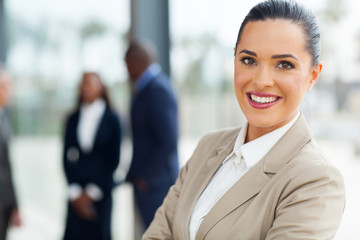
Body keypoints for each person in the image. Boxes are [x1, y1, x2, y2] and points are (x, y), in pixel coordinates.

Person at [143, 0, 346, 239]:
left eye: (284, 64)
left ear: (312, 76)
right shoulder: (208, 147)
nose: (261, 81)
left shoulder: (316, 180)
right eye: (249, 60)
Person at [124, 40, 179, 231]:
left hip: (157, 185)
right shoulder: (147, 88)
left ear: (135, 62)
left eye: (126, 64)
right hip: (150, 184)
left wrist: (146, 178)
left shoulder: (157, 90)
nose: (126, 70)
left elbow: (168, 140)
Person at [62, 72, 122, 240]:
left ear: (101, 87)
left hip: (100, 193)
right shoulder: (72, 119)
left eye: (91, 83)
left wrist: (91, 193)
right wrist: (75, 192)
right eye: (83, 84)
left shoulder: (112, 119)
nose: (87, 87)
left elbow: (114, 159)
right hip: (76, 193)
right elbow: (65, 157)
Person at [0, 70, 21, 240]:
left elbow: (7, 167)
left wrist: (14, 206)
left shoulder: (4, 119)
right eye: (6, 87)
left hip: (4, 205)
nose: (10, 91)